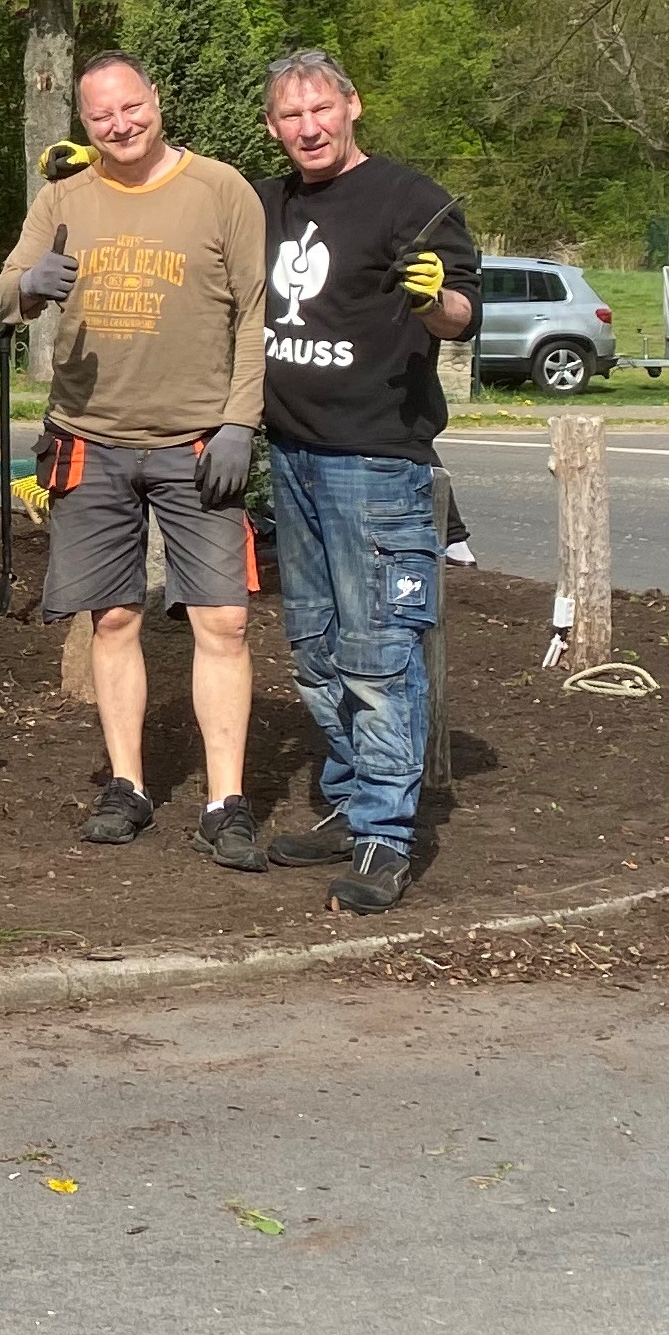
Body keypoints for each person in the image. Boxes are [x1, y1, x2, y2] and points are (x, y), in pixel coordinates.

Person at [0, 51, 269, 866]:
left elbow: (254, 313)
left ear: (156, 101)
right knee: (113, 615)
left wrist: (239, 422)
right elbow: (7, 294)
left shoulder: (222, 190)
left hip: (198, 441)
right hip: (89, 436)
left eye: (131, 108)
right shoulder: (63, 197)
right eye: (102, 117)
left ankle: (226, 800)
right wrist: (31, 284)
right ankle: (129, 785)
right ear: (85, 125)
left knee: (222, 618)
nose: (120, 126)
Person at [250, 45, 480, 916]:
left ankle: (389, 832)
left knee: (381, 652)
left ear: (352, 107)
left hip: (376, 461)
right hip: (292, 457)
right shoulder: (267, 201)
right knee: (313, 647)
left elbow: (460, 313)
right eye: (288, 115)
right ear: (273, 127)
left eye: (319, 109)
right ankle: (351, 801)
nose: (306, 127)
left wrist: (429, 298)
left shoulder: (411, 200)